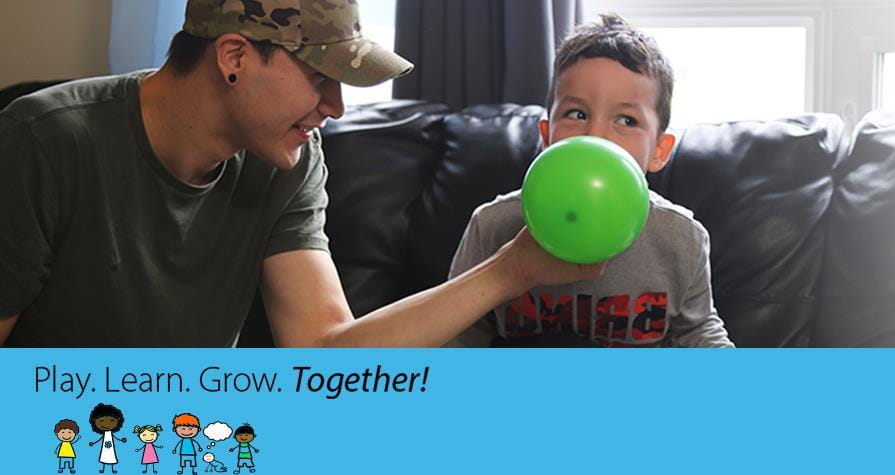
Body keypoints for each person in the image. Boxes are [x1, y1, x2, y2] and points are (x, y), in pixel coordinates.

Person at [0, 0, 601, 347]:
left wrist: (512, 271)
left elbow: (324, 355)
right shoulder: (45, 140)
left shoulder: (288, 160)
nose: (337, 107)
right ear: (234, 57)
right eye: (321, 78)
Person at [447, 14, 733, 347]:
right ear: (547, 137)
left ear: (659, 150)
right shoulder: (492, 226)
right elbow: (459, 338)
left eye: (626, 119)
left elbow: (698, 332)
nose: (595, 137)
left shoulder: (681, 239)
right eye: (577, 114)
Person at [86, 403, 127, 474]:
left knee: (111, 456)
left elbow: (115, 438)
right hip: (105, 448)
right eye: (101, 421)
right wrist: (93, 443)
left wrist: (121, 440)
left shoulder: (110, 434)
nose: (106, 424)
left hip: (110, 448)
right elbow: (100, 439)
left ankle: (112, 469)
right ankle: (103, 469)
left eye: (112, 421)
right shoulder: (105, 434)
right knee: (104, 456)